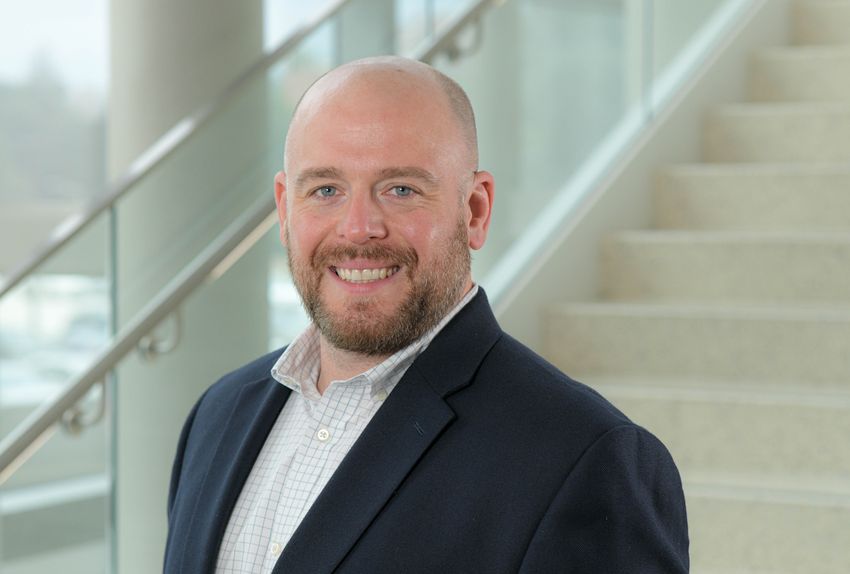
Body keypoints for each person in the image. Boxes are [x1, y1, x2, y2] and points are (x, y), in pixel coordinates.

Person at [164, 56, 689, 574]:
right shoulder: (218, 414)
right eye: (326, 190)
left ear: (475, 211)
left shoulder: (584, 459)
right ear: (284, 210)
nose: (358, 228)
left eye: (401, 189)